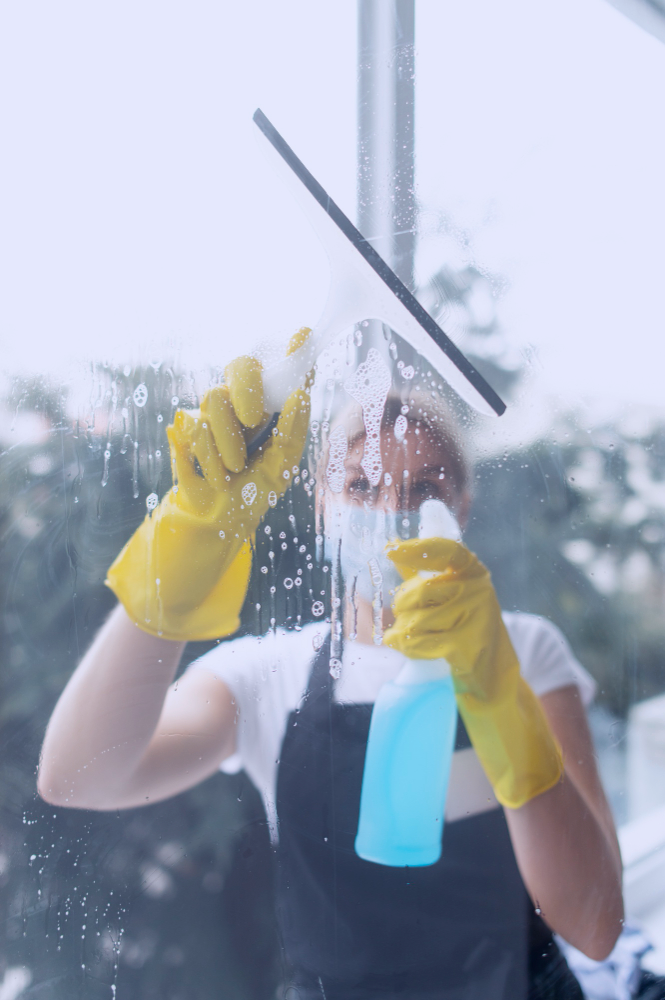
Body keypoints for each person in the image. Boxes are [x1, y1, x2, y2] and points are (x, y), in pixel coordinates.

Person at [38, 340, 624, 1000]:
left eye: (423, 488)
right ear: (321, 505)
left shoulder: (526, 650)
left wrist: (496, 690)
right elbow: (77, 777)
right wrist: (185, 546)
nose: (387, 513)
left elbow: (596, 925)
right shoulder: (264, 677)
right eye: (361, 485)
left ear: (458, 509)